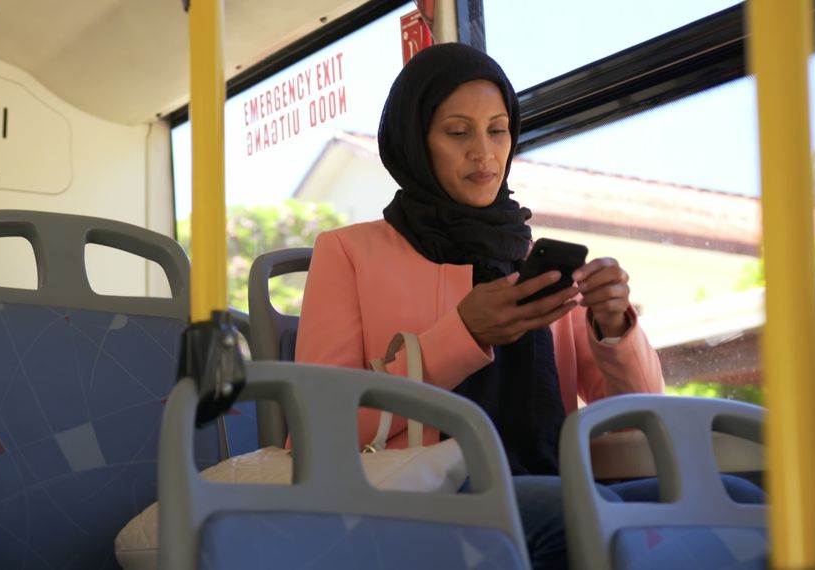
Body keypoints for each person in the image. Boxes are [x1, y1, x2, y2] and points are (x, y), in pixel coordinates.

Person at [294, 43, 761, 568]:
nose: (484, 152)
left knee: (744, 503)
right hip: (421, 497)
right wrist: (462, 338)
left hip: (552, 480)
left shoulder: (529, 257)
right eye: (457, 132)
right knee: (581, 517)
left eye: (498, 130)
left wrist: (613, 328)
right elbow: (317, 425)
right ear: (414, 141)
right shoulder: (348, 253)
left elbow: (641, 414)